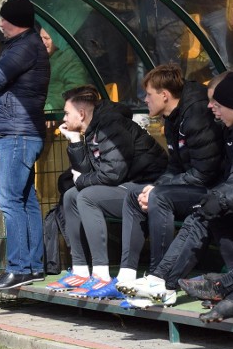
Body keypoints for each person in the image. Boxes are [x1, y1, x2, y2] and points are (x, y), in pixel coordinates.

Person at [121, 72, 233, 308]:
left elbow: (209, 172)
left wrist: (224, 198)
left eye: (217, 104)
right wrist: (220, 197)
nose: (210, 107)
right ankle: (161, 282)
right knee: (204, 210)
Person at [105, 65, 225, 299]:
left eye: (148, 94)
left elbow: (204, 172)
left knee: (160, 197)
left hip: (210, 186)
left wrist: (160, 189)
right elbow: (175, 165)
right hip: (191, 182)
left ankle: (156, 277)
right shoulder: (172, 116)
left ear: (165, 95)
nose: (145, 99)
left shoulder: (196, 113)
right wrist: (155, 186)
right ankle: (127, 276)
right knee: (135, 196)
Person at [47, 86, 168, 296]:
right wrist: (75, 142)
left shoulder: (110, 125)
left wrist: (83, 179)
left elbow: (112, 173)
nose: (64, 118)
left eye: (67, 113)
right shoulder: (93, 127)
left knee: (86, 196)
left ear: (81, 113)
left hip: (147, 186)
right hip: (126, 184)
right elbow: (92, 173)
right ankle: (81, 270)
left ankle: (101, 274)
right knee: (71, 196)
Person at [0, 0, 50, 290]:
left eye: (3, 19)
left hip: (17, 132)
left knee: (10, 199)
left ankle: (19, 268)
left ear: (15, 21)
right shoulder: (24, 44)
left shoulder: (24, 46)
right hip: (21, 130)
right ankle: (33, 266)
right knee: (26, 199)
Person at [40, 27, 90, 112]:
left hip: (58, 113)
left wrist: (51, 107)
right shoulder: (44, 56)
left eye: (46, 38)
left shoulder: (69, 58)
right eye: (40, 38)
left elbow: (76, 89)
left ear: (57, 39)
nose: (42, 42)